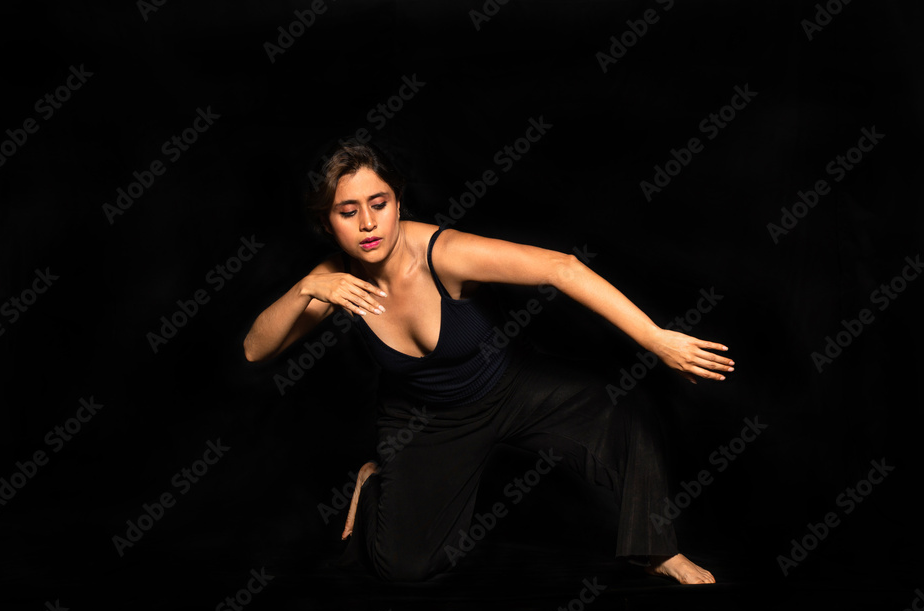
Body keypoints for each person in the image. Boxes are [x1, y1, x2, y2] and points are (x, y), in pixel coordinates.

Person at [243, 141, 734, 585]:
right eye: (348, 212)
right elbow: (255, 350)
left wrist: (655, 338)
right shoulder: (335, 280)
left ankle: (659, 551)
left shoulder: (445, 254)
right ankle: (374, 479)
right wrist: (306, 287)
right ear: (328, 222)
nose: (368, 224)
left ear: (397, 203)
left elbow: (560, 268)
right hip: (427, 421)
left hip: (511, 386)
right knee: (404, 568)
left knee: (626, 410)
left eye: (379, 204)